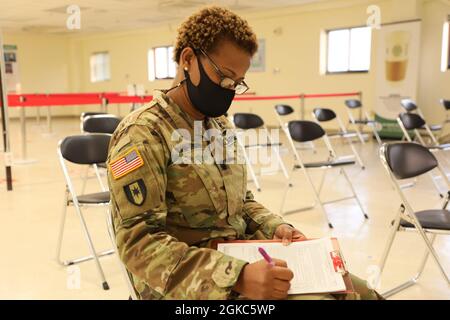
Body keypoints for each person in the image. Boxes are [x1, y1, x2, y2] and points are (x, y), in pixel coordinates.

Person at [107, 6, 382, 300]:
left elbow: (240, 202)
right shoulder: (142, 134)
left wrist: (276, 227)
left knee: (357, 291)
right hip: (185, 286)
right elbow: (138, 246)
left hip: (240, 257)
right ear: (188, 59)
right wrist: (236, 277)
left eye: (237, 83)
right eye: (224, 77)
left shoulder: (218, 125)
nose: (229, 89)